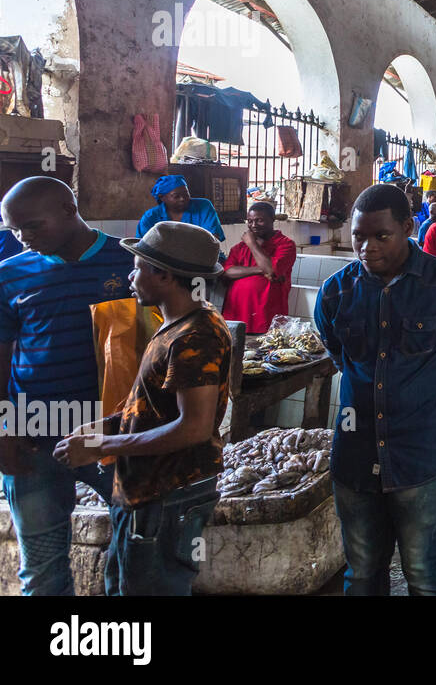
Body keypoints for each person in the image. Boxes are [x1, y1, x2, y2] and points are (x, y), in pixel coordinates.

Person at [314, 184, 436, 595]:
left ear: (408, 227)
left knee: (423, 570)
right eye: (358, 236)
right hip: (357, 454)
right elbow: (341, 356)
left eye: (380, 236)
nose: (366, 247)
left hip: (424, 457)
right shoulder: (336, 292)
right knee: (364, 572)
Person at [55, 221, 231, 596]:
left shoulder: (195, 337)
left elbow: (193, 428)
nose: (130, 276)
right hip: (144, 491)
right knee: (125, 586)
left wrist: (103, 447)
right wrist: (105, 426)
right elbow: (151, 404)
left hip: (167, 494)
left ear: (165, 274)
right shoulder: (174, 325)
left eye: (138, 267)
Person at [0, 178, 134, 595]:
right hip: (34, 435)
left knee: (134, 556)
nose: (24, 238)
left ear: (67, 208)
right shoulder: (10, 275)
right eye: (15, 229)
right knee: (42, 568)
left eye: (33, 226)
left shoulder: (128, 261)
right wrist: (4, 430)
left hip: (113, 433)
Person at [221, 201, 296, 334]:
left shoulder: (286, 245)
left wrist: (252, 244)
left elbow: (271, 270)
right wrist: (261, 270)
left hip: (266, 315)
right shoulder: (239, 248)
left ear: (272, 220)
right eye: (250, 221)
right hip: (236, 315)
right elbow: (227, 272)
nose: (253, 225)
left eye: (259, 220)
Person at [136, 175, 225, 245]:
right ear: (162, 198)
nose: (182, 199)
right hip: (163, 261)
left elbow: (213, 238)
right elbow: (143, 246)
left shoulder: (203, 206)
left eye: (186, 194)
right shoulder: (150, 217)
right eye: (176, 196)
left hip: (202, 257)